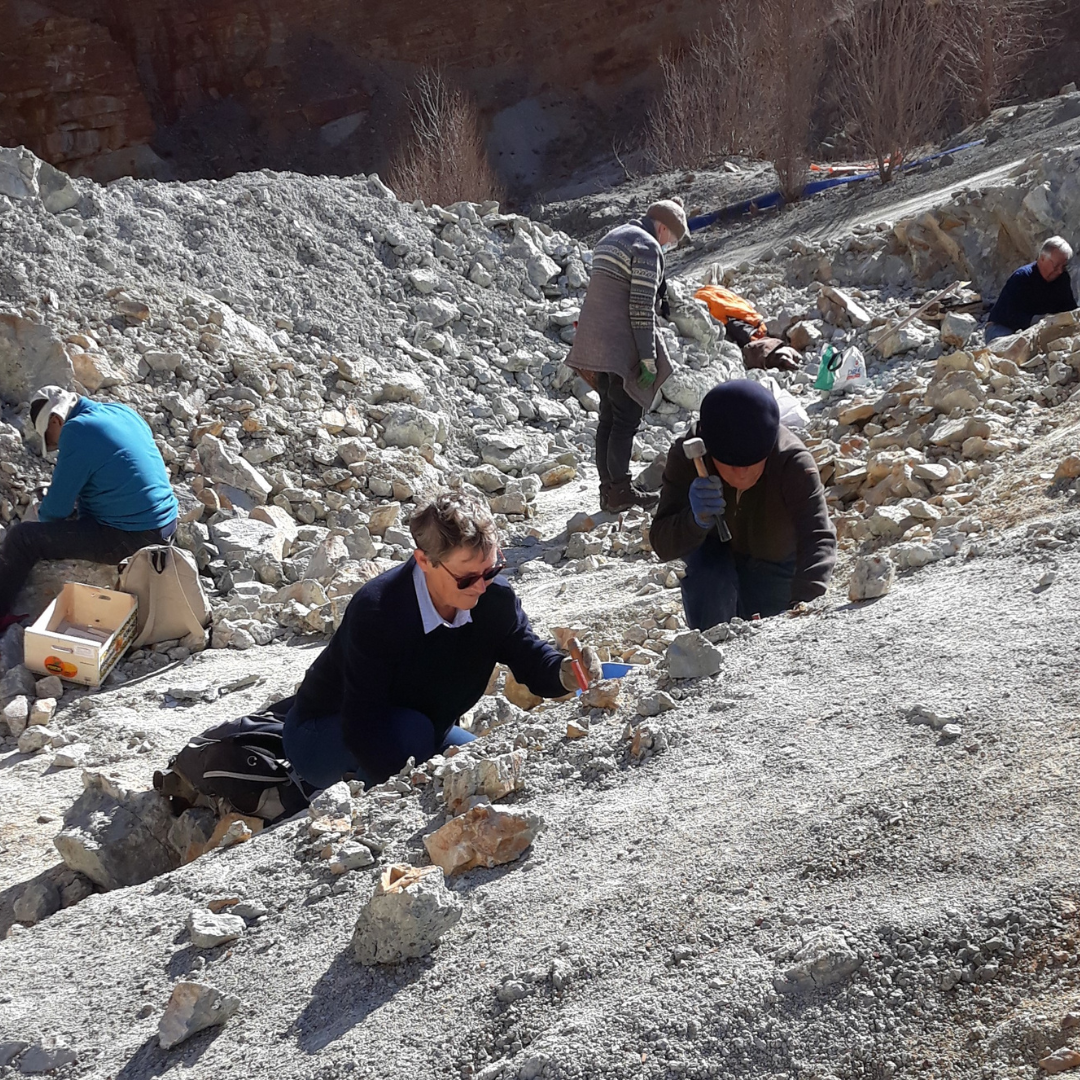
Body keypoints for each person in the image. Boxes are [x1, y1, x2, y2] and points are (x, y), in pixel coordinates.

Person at [283, 492, 602, 789]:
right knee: (415, 739)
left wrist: (564, 673)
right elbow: (362, 721)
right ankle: (322, 787)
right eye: (466, 578)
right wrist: (401, 794)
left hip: (426, 727)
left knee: (480, 764)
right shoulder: (379, 611)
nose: (481, 587)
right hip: (324, 732)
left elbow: (529, 655)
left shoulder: (495, 599)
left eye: (491, 571)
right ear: (424, 562)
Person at [650, 380, 836, 631]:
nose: (740, 475)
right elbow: (662, 543)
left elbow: (817, 537)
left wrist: (804, 606)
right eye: (730, 465)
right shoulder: (689, 456)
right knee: (711, 582)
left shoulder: (793, 463)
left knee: (773, 631)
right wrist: (693, 521)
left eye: (751, 464)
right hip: (712, 559)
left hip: (774, 561)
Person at [0, 386, 179, 626]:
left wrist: (40, 513)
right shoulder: (120, 412)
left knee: (22, 538)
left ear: (56, 419)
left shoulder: (77, 430)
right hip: (166, 524)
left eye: (50, 438)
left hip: (133, 537)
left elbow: (55, 512)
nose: (56, 446)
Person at [567, 199, 689, 512]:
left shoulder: (615, 236)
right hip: (621, 345)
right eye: (672, 239)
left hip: (595, 342)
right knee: (624, 420)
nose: (669, 245)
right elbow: (640, 309)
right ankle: (621, 492)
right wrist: (648, 359)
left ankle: (609, 490)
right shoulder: (647, 248)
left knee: (608, 417)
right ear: (663, 227)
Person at [984, 236, 1077, 343]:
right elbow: (1009, 314)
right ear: (1042, 258)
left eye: (1064, 266)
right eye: (1056, 266)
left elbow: (1069, 308)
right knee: (1011, 351)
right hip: (1003, 327)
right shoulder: (1022, 277)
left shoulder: (1062, 279)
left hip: (1036, 330)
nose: (1060, 271)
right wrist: (1039, 320)